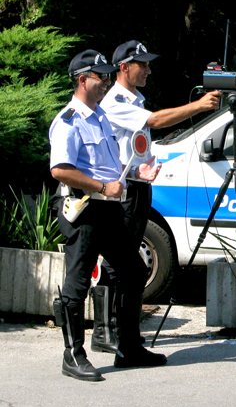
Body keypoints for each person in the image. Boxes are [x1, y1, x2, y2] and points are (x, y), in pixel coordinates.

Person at [91, 40, 219, 353]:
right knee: (116, 261)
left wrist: (146, 165)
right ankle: (103, 333)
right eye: (142, 64)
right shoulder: (115, 101)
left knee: (126, 261)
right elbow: (156, 121)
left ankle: (122, 331)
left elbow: (137, 142)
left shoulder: (135, 99)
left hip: (137, 186)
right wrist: (199, 106)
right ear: (124, 68)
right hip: (122, 191)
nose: (148, 70)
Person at [49, 49, 166, 381]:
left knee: (132, 271)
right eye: (100, 76)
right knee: (78, 280)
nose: (105, 82)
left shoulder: (100, 115)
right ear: (83, 80)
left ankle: (129, 348)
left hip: (109, 207)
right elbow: (60, 170)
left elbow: (111, 163)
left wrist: (137, 174)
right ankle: (73, 355)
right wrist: (102, 185)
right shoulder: (69, 120)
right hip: (84, 206)